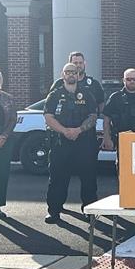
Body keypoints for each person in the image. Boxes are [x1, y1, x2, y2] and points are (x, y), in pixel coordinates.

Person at [44, 63, 98, 224]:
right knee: (57, 178)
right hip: (61, 142)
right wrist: (65, 131)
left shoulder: (87, 94)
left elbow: (93, 116)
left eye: (73, 72)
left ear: (78, 73)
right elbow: (48, 116)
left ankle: (89, 210)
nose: (71, 75)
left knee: (88, 179)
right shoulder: (54, 95)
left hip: (84, 142)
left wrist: (78, 130)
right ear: (63, 75)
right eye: (67, 72)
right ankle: (54, 211)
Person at [0, 67, 17, 219]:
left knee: (1, 174)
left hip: (5, 139)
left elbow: (13, 119)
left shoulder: (8, 98)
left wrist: (4, 136)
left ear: (0, 79)